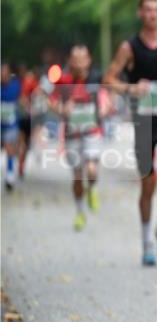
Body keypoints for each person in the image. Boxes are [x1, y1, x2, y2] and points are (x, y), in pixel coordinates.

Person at [104, 0, 157, 265]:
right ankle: (146, 241)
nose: (153, 14)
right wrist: (131, 88)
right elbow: (109, 79)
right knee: (148, 185)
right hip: (145, 124)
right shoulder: (130, 47)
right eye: (148, 10)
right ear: (141, 13)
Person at [51, 45, 106, 230]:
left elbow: (108, 97)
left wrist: (105, 107)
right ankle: (80, 212)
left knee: (91, 169)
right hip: (72, 134)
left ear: (89, 60)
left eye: (83, 58)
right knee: (76, 177)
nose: (79, 62)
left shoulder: (96, 78)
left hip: (92, 132)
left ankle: (92, 188)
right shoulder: (63, 81)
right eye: (75, 58)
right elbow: (51, 101)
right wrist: (61, 109)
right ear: (69, 61)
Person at [1, 63, 21, 190]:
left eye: (4, 72)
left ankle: (9, 175)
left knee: (9, 148)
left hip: (11, 124)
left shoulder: (16, 86)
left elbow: (22, 98)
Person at [16, 65, 39, 178]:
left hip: (30, 119)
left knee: (26, 144)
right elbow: (21, 98)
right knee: (22, 142)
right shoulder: (21, 84)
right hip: (22, 117)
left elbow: (39, 97)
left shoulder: (35, 84)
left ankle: (21, 163)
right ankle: (20, 163)